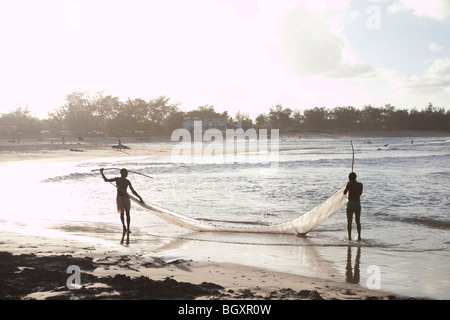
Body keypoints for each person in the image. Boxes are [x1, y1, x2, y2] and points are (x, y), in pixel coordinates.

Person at [100, 168, 144, 233]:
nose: (127, 174)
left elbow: (133, 191)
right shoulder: (117, 179)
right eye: (126, 173)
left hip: (126, 198)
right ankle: (124, 226)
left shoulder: (127, 181)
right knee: (122, 214)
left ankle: (128, 228)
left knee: (127, 214)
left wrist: (140, 198)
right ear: (122, 173)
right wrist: (101, 172)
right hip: (120, 198)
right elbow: (106, 180)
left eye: (127, 173)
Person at [343, 172, 363, 240]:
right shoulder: (360, 185)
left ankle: (349, 237)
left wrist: (348, 186)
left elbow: (344, 193)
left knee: (349, 222)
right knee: (358, 221)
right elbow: (360, 193)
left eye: (349, 177)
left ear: (350, 178)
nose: (348, 178)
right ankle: (359, 236)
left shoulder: (349, 185)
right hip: (357, 204)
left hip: (351, 204)